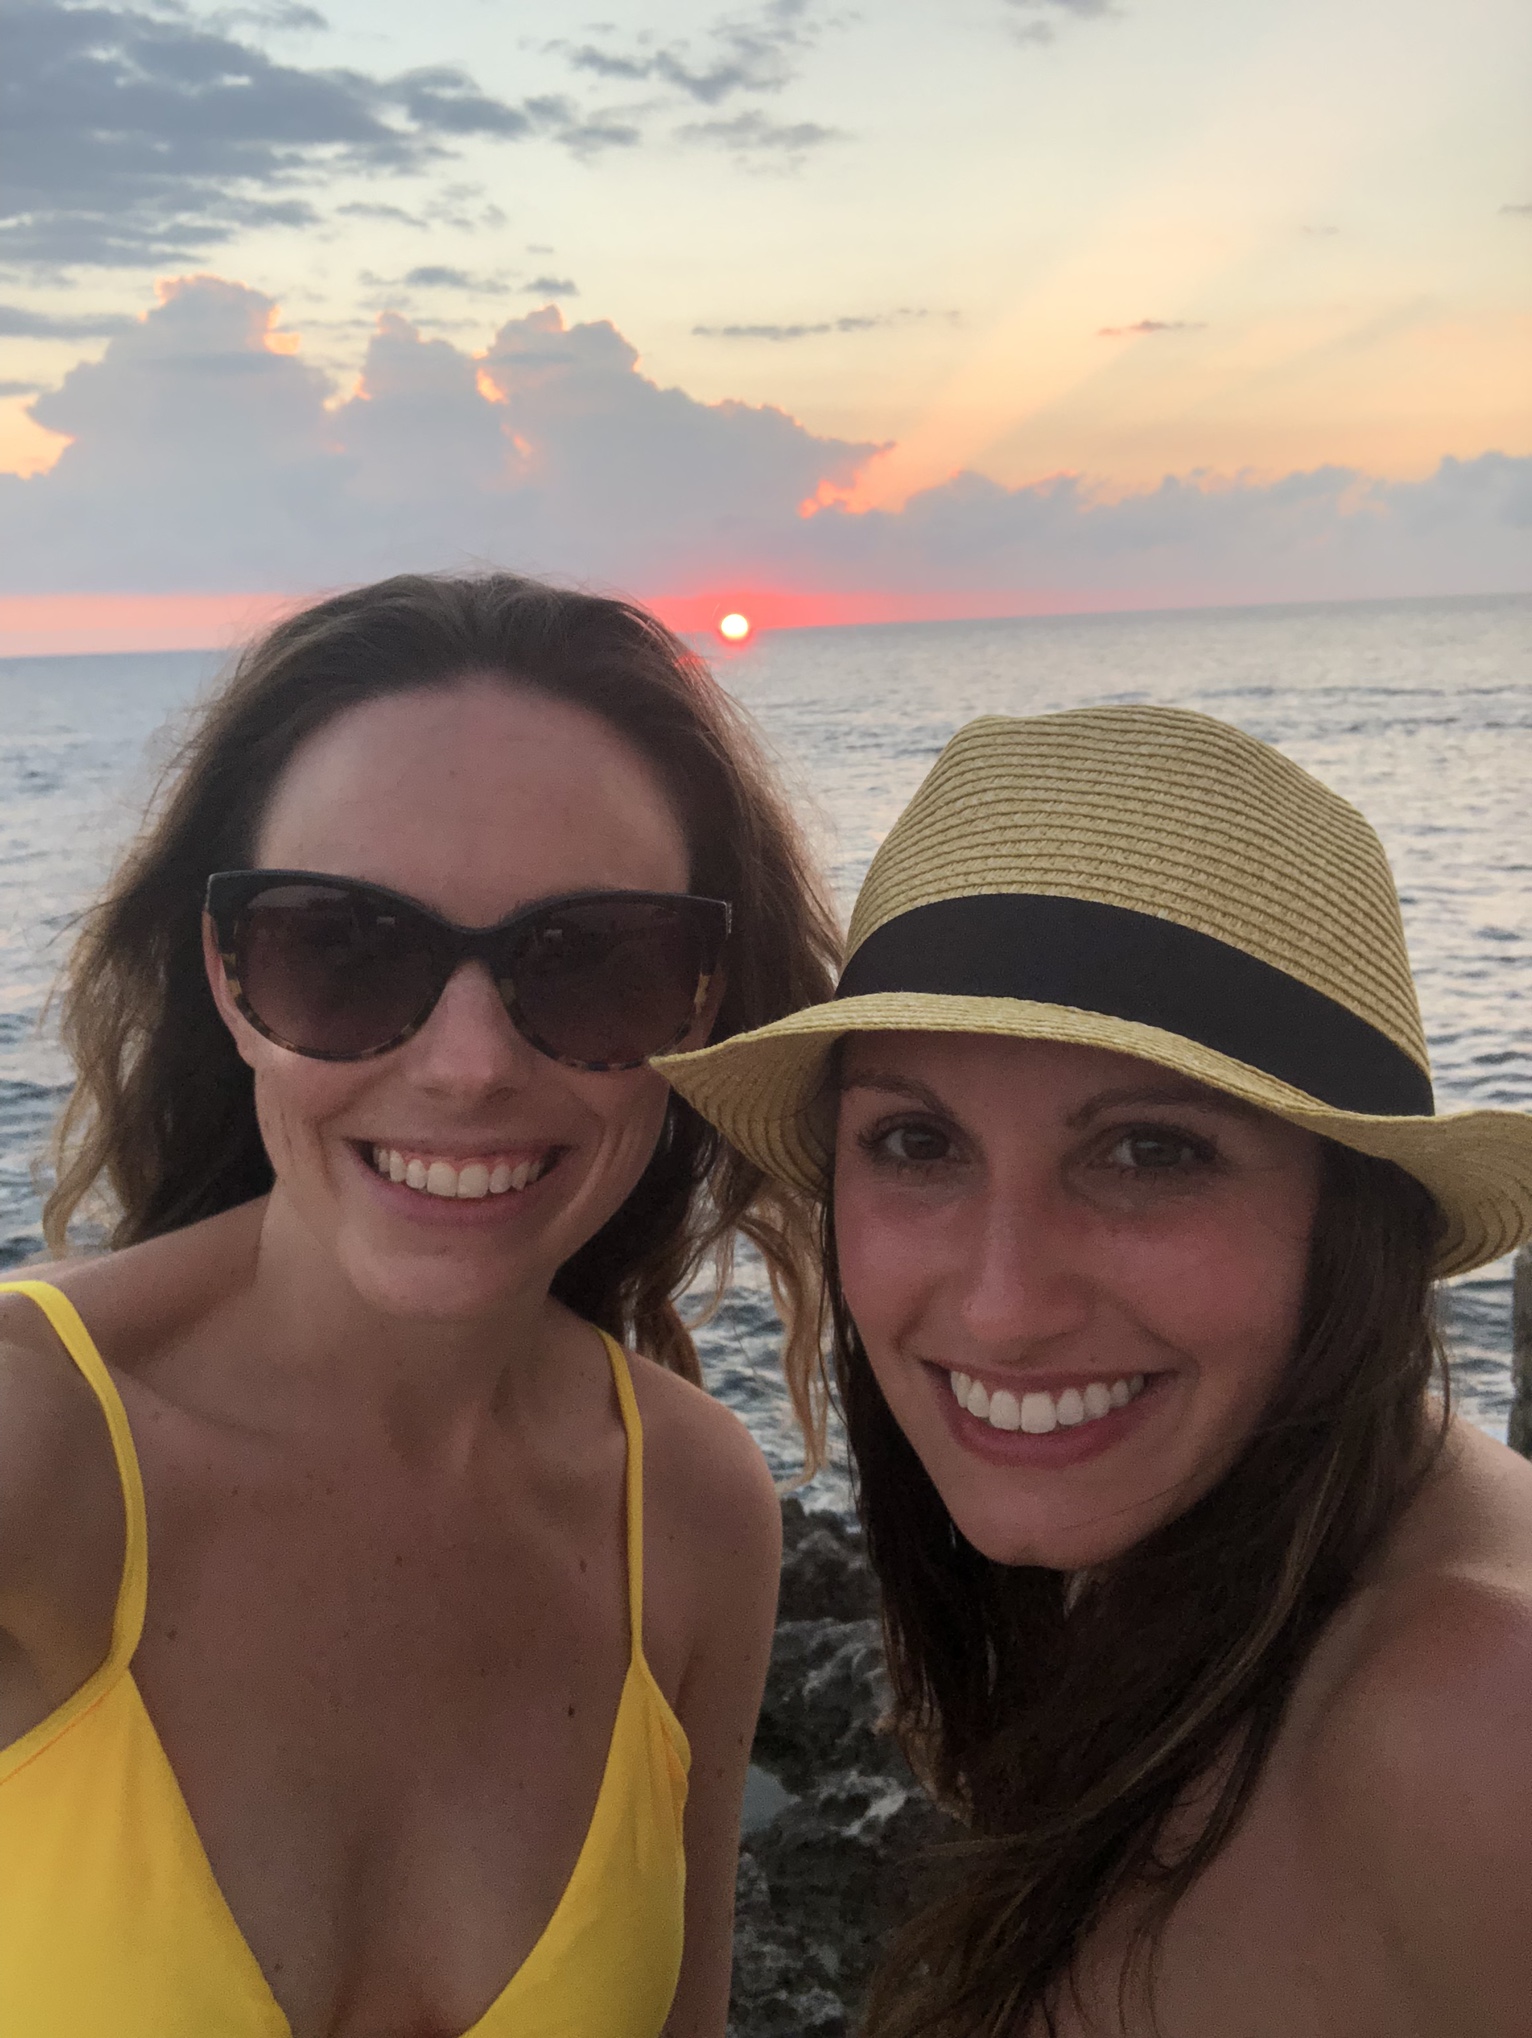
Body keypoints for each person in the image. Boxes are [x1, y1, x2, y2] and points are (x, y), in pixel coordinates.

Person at [0, 573, 839, 2038]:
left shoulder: (692, 1510)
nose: (469, 1065)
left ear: (702, 1010)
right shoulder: (29, 1448)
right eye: (343, 944)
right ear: (227, 977)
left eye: (594, 961)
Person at [659, 706, 1532, 2038]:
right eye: (916, 1141)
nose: (1003, 1309)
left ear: (1353, 1214)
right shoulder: (1220, 1558)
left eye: (1149, 1152)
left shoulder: (1475, 1726)